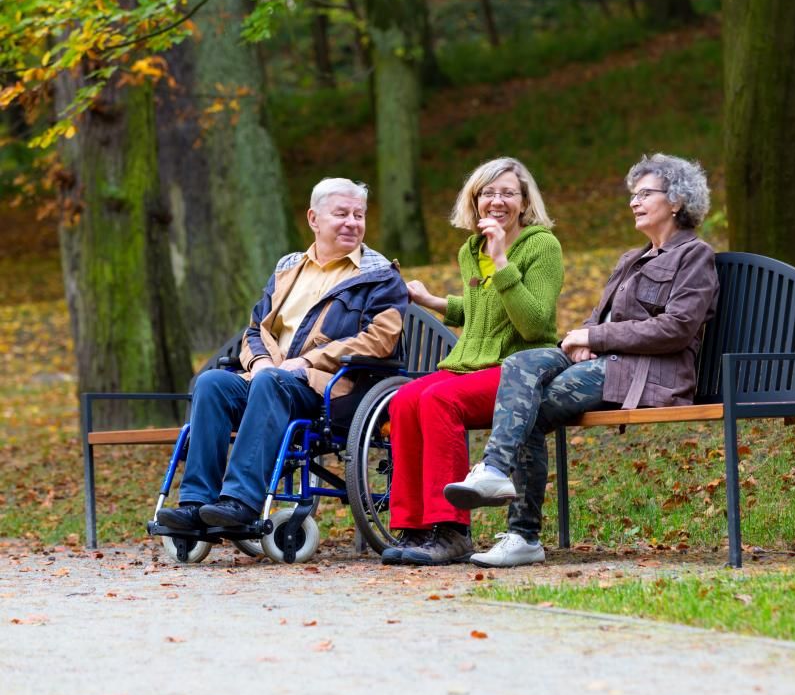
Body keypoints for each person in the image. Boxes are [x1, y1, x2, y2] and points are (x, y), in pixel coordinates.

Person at [444, 153, 719, 567]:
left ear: (677, 201)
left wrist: (597, 336)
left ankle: (522, 533)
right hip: (606, 364)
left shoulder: (694, 256)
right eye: (633, 194)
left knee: (529, 407)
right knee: (521, 366)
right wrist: (581, 339)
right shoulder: (632, 258)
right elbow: (599, 316)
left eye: (645, 194)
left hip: (647, 376)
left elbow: (676, 329)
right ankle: (496, 475)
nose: (634, 202)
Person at [157, 178, 408, 531]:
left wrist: (307, 361)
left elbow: (380, 340)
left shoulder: (380, 276)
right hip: (270, 380)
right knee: (212, 383)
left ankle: (240, 501)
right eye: (341, 213)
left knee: (272, 382)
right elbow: (256, 328)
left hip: (329, 388)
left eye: (359, 214)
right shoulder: (288, 268)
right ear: (313, 218)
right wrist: (259, 362)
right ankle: (196, 504)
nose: (353, 222)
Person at [383, 157, 564, 566]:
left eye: (508, 193)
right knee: (404, 401)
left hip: (517, 367)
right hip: (470, 364)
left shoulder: (540, 245)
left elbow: (534, 322)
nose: (497, 201)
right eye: (488, 192)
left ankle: (452, 531)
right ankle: (414, 527)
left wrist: (502, 262)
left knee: (438, 401)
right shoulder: (471, 249)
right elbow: (485, 309)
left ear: (524, 200)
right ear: (475, 199)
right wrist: (434, 301)